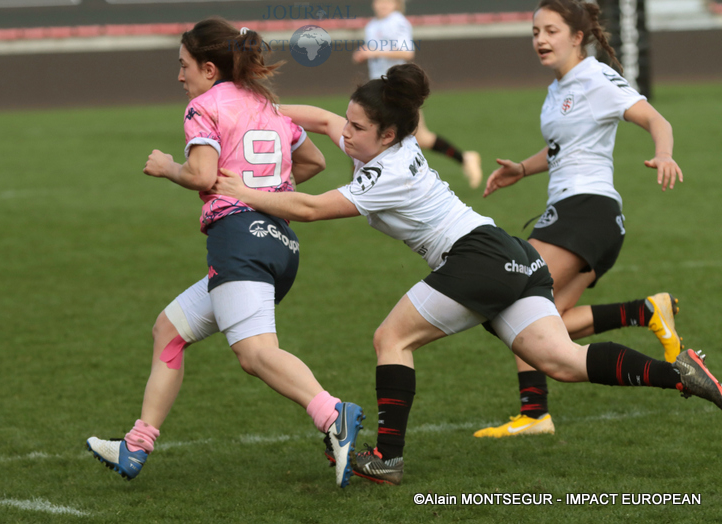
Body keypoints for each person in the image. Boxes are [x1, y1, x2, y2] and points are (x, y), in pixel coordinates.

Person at [211, 62, 722, 486]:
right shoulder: (384, 143)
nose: (345, 132)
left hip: (476, 256)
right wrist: (257, 114)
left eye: (357, 128)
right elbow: (324, 121)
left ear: (388, 134)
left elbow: (309, 208)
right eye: (350, 121)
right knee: (563, 361)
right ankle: (679, 373)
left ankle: (387, 457)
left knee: (391, 338)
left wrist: (241, 191)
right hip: (509, 253)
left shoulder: (386, 171)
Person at [85, 18, 365, 489]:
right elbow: (314, 160)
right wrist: (268, 188)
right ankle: (137, 444)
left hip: (239, 241)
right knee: (169, 330)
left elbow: (200, 174)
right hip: (279, 245)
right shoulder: (266, 105)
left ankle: (333, 413)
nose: (180, 76)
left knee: (255, 354)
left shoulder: (204, 106)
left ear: (210, 69)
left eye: (184, 65)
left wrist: (167, 167)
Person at [475, 0, 685, 438]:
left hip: (586, 212)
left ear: (577, 37)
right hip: (581, 215)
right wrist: (522, 169)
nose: (540, 39)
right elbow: (562, 148)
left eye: (551, 31)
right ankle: (645, 311)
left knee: (517, 299)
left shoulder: (594, 77)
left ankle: (535, 413)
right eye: (535, 32)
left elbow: (655, 118)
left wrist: (663, 153)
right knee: (547, 318)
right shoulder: (559, 87)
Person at [352, 0, 483, 189]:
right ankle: (360, 183)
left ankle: (464, 158)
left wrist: (373, 52)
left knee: (381, 134)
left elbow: (407, 52)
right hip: (380, 88)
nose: (383, 4)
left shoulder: (397, 21)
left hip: (398, 89)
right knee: (367, 131)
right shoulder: (372, 25)